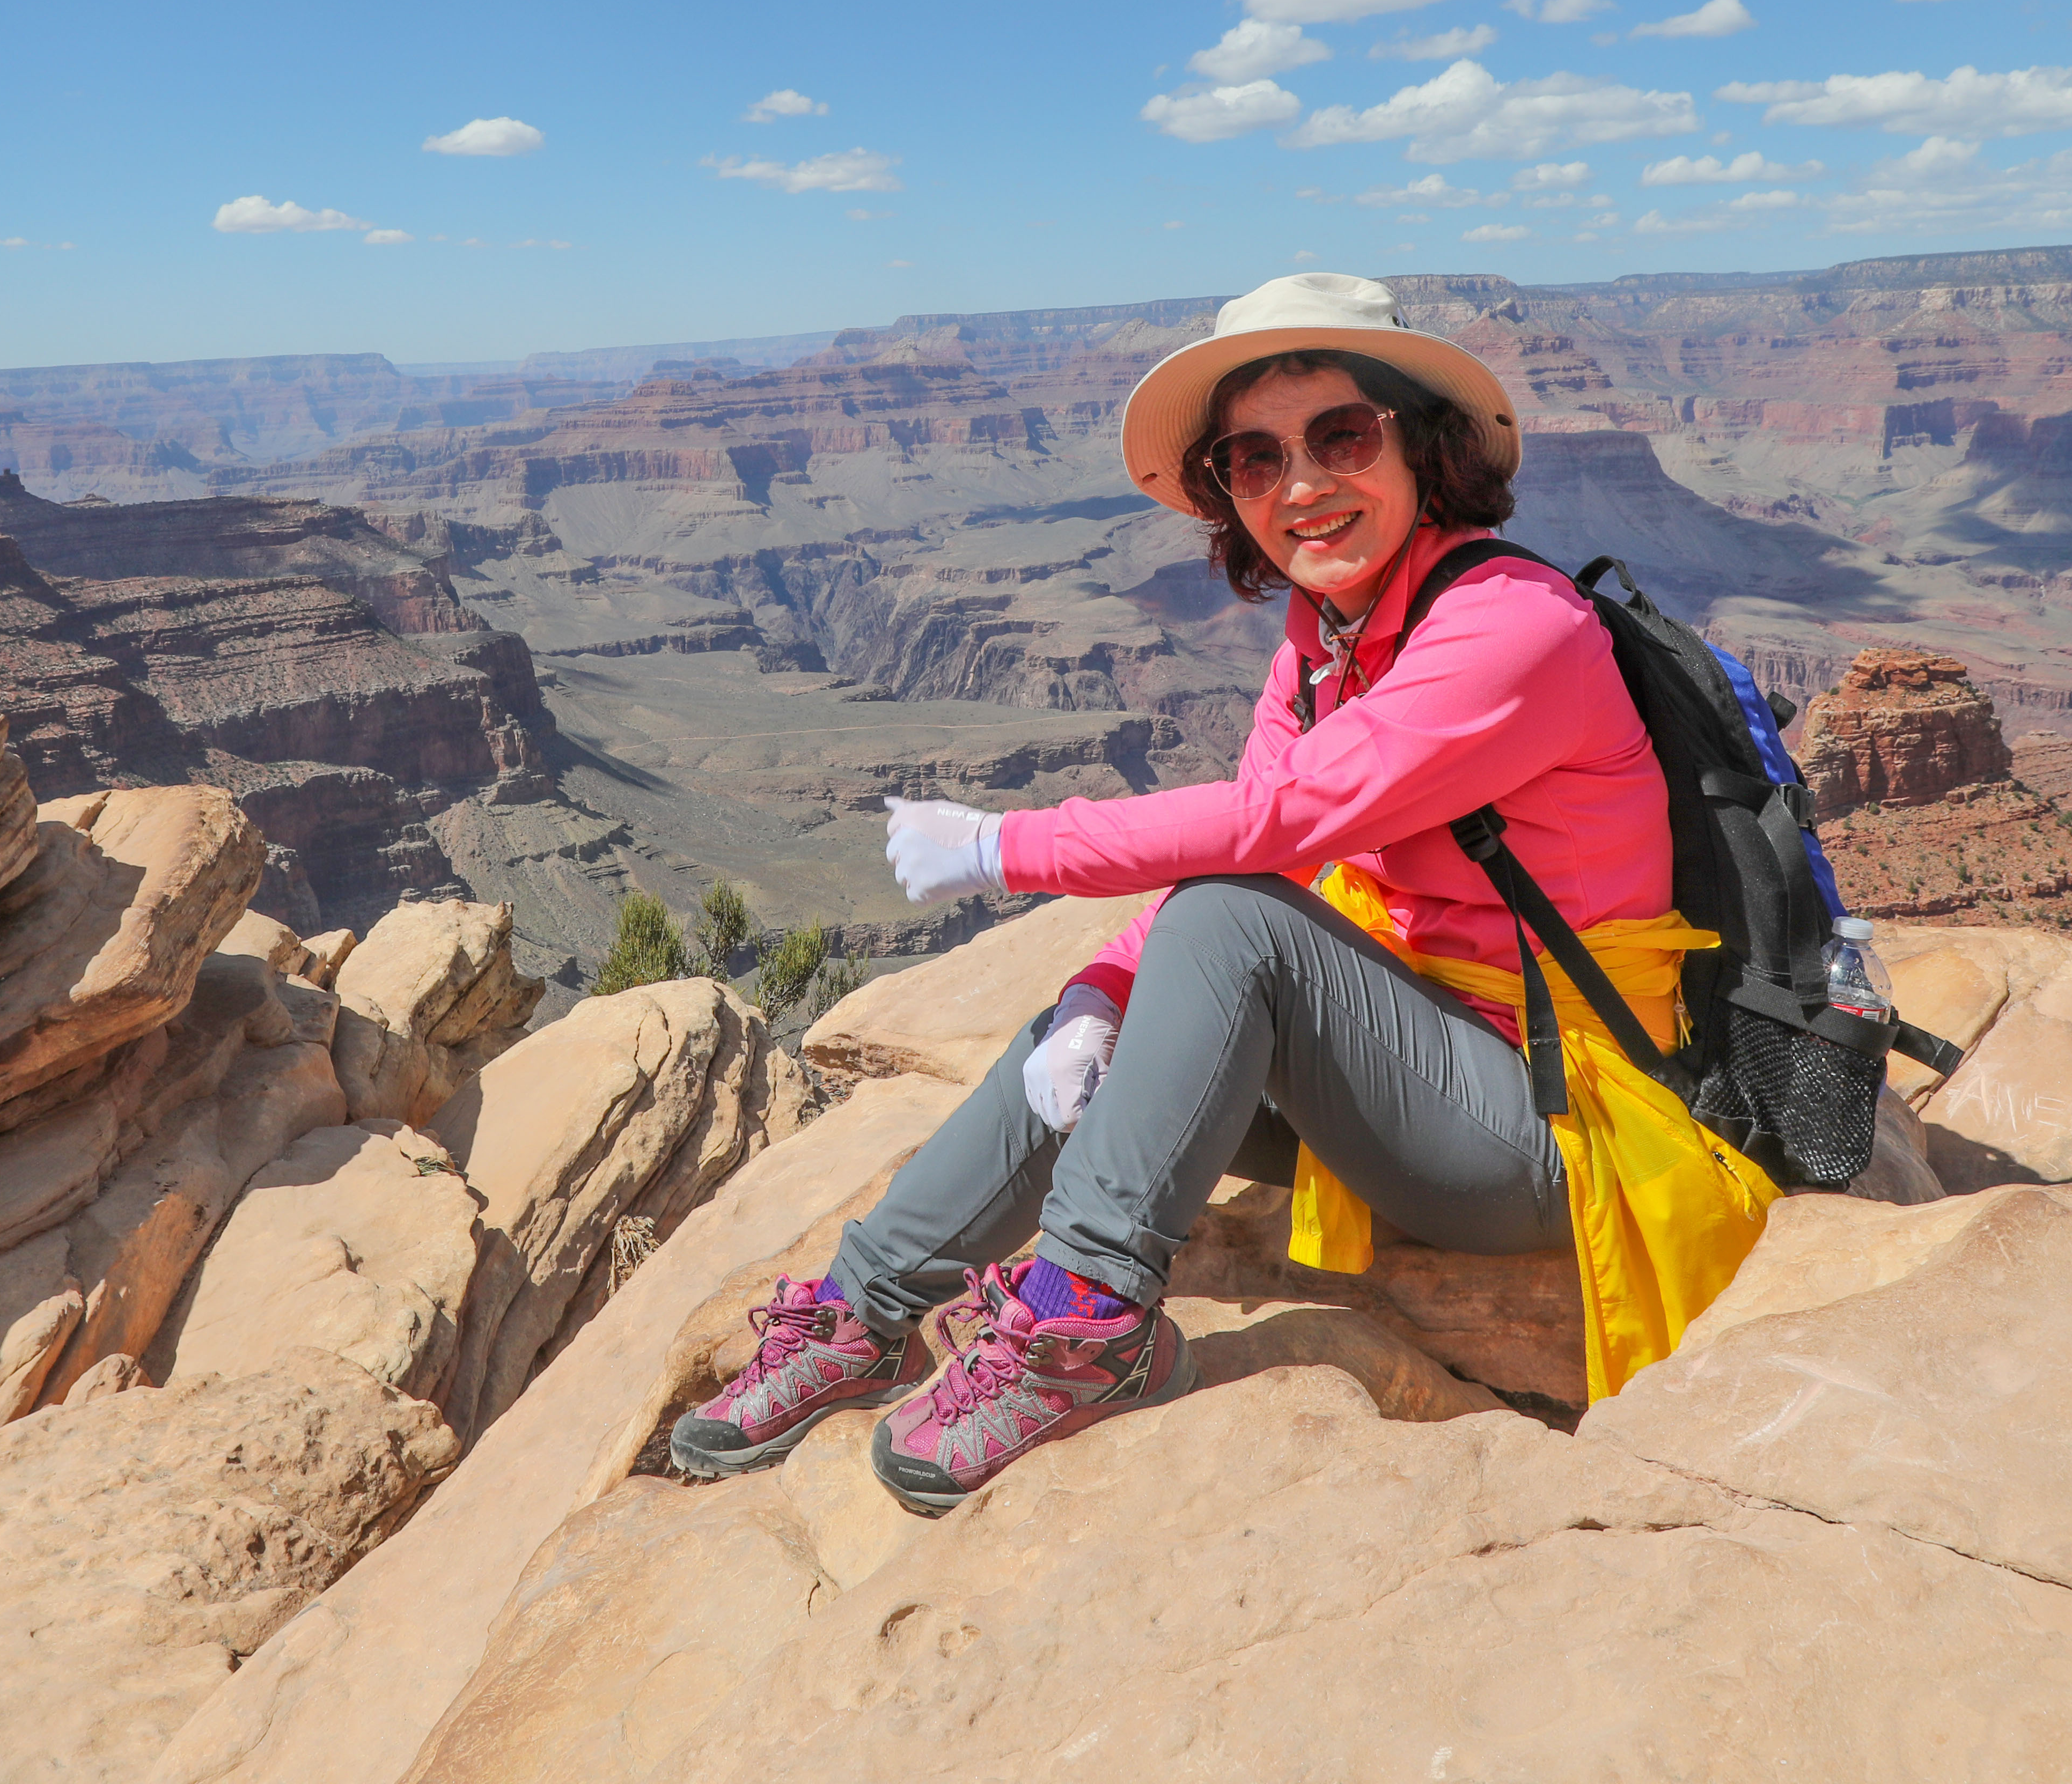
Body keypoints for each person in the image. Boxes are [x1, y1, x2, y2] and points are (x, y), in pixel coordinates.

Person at [670, 271, 1774, 1514]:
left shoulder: (1516, 625)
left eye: (1341, 436)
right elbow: (1250, 858)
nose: (1299, 484)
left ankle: (1087, 1323)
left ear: (1427, 448)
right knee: (1096, 1024)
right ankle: (859, 1311)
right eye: (1255, 458)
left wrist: (1005, 844)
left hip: (1552, 1120)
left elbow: (1275, 825)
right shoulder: (1325, 640)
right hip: (1408, 1072)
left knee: (1228, 926)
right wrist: (1099, 990)